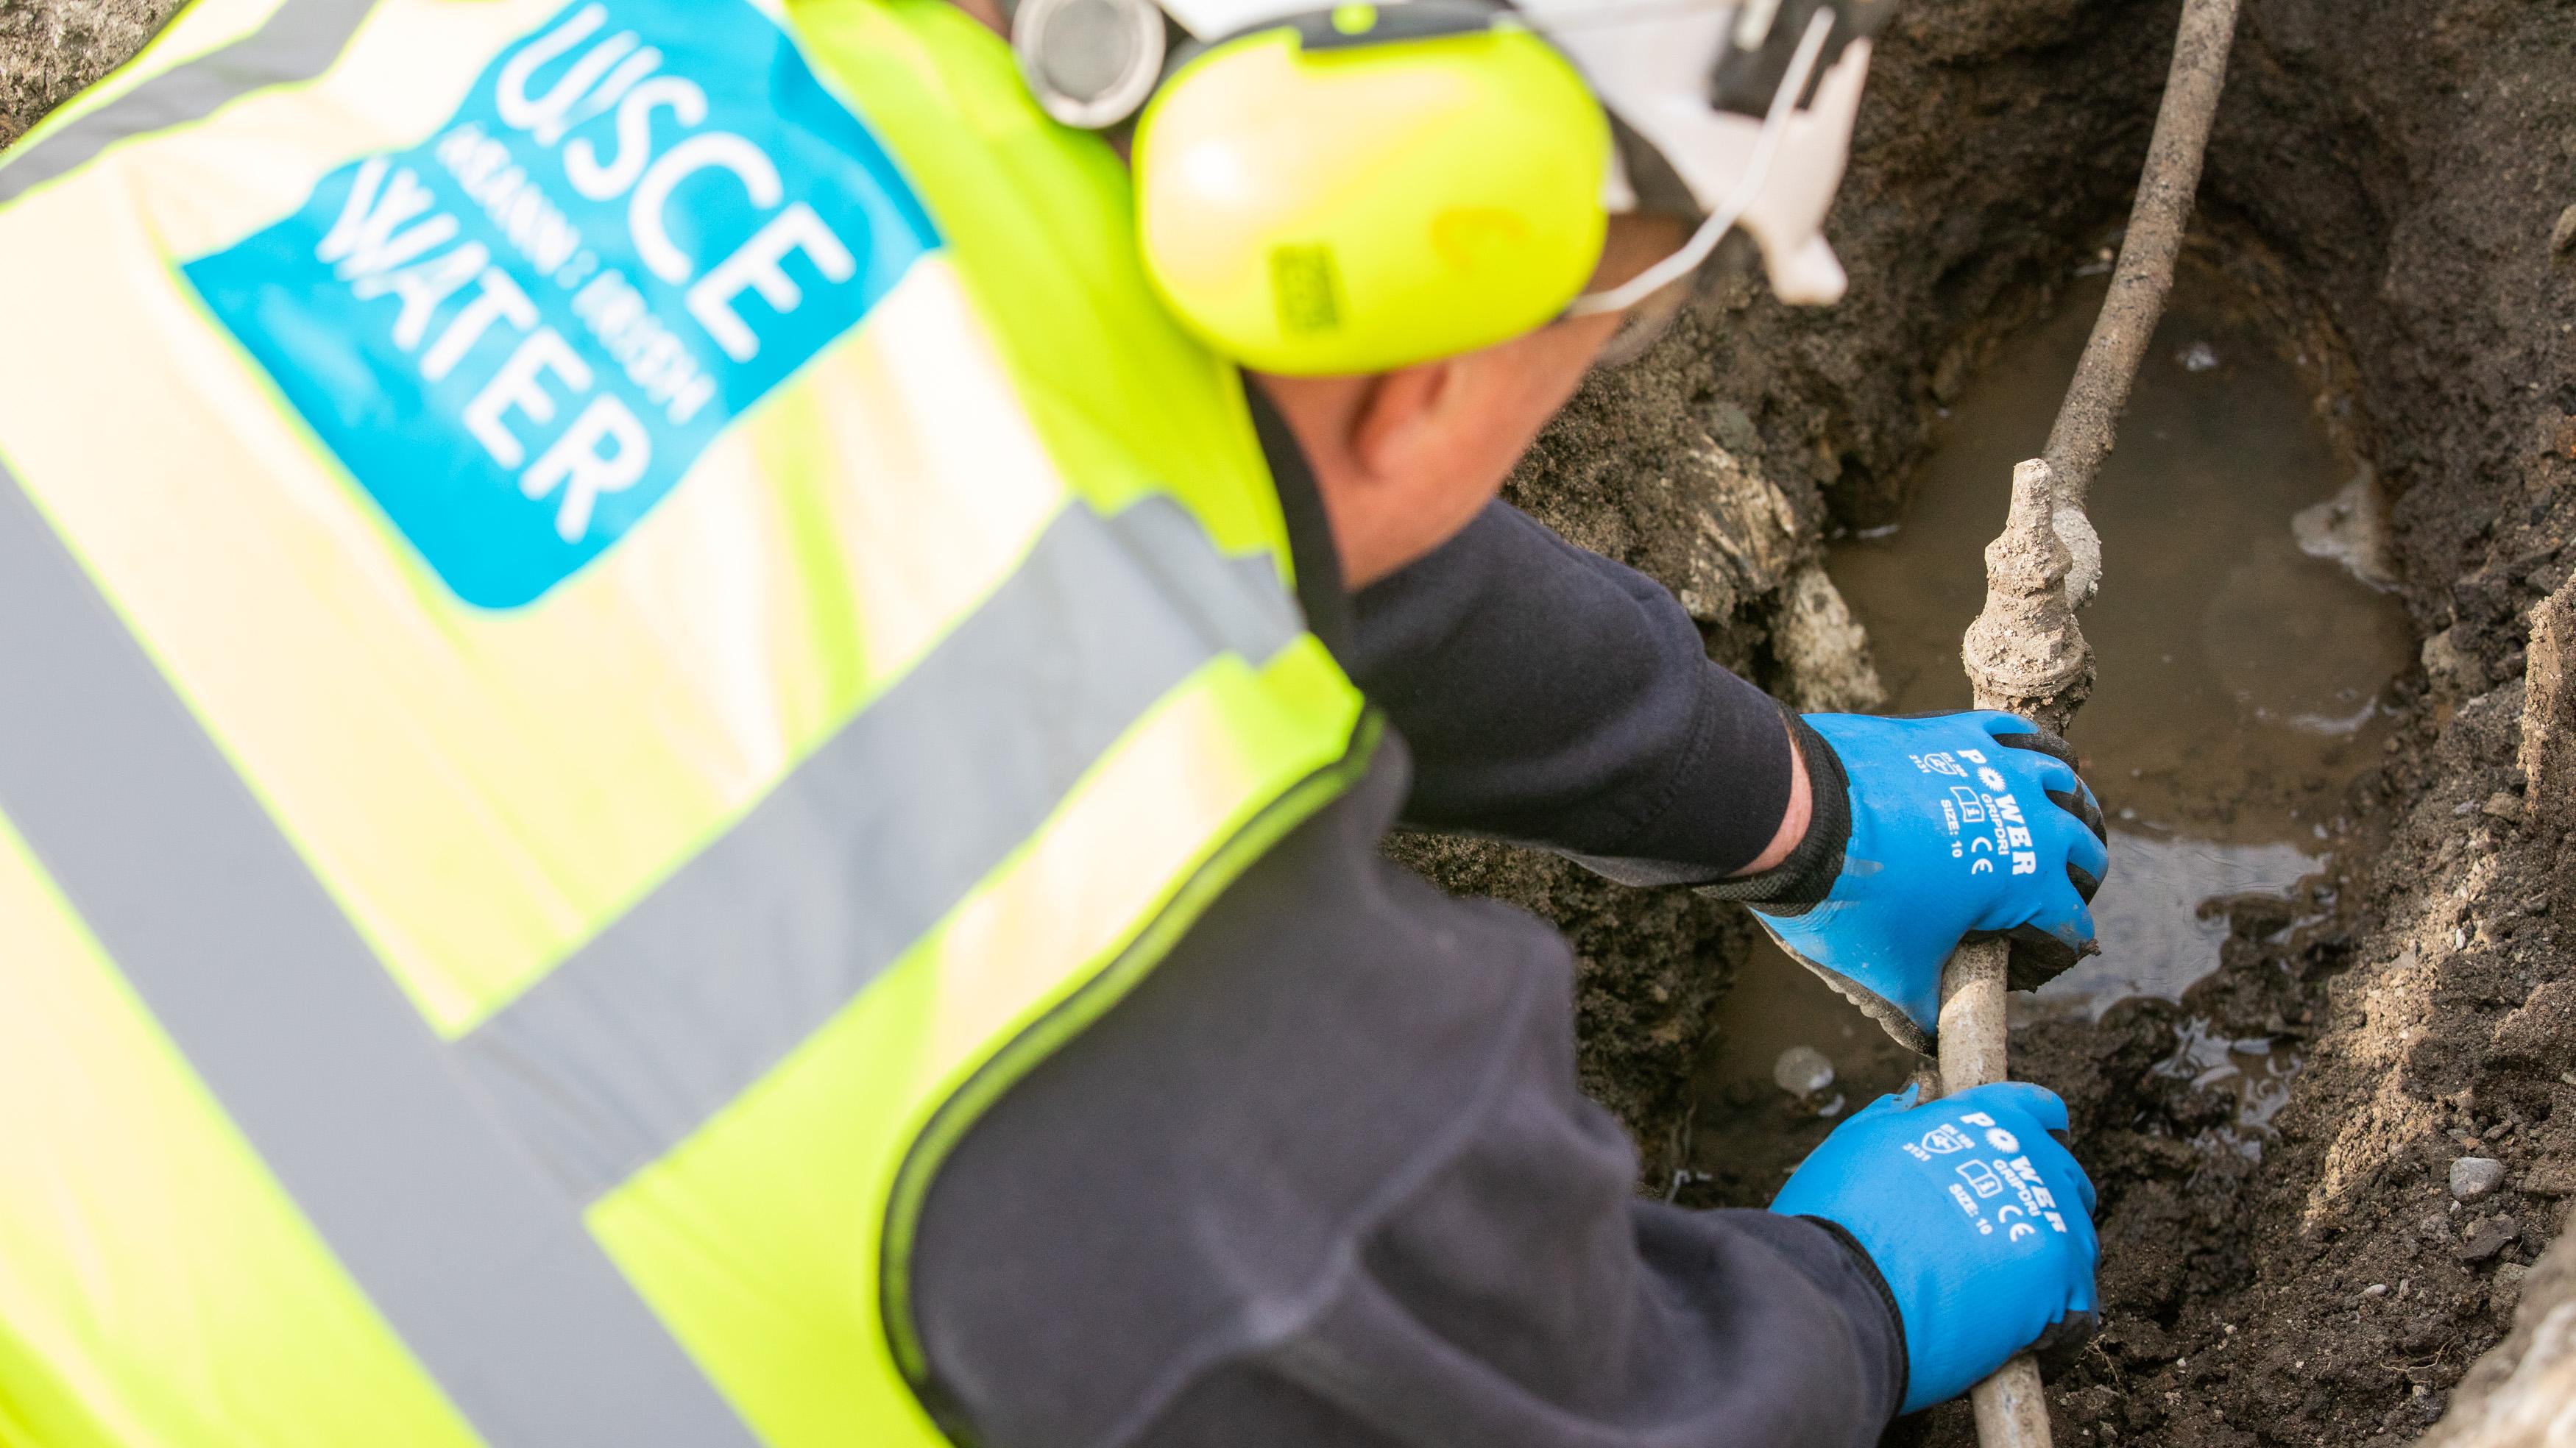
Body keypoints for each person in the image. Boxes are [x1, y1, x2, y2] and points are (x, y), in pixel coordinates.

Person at [0, 0, 2104, 1444]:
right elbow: (1546, 1411)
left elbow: (1158, 501)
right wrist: (1832, 1302)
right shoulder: (1126, 975)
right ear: (1448, 365)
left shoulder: (413, 44)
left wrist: (1777, 802)